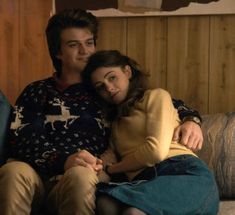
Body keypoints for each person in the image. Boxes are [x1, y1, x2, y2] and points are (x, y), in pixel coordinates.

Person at [0, 9, 203, 215]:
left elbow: (156, 101)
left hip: (84, 176)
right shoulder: (37, 91)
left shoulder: (105, 91)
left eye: (89, 43)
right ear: (58, 51)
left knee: (80, 175)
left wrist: (191, 119)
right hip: (36, 177)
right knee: (12, 170)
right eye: (73, 45)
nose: (85, 51)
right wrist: (63, 160)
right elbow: (21, 139)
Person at [82, 50, 219, 215]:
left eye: (112, 78)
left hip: (182, 171)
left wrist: (112, 169)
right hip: (144, 181)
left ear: (127, 72)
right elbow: (106, 162)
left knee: (134, 212)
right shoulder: (116, 124)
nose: (109, 88)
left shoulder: (156, 97)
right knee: (105, 203)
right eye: (101, 87)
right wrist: (84, 171)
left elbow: (155, 151)